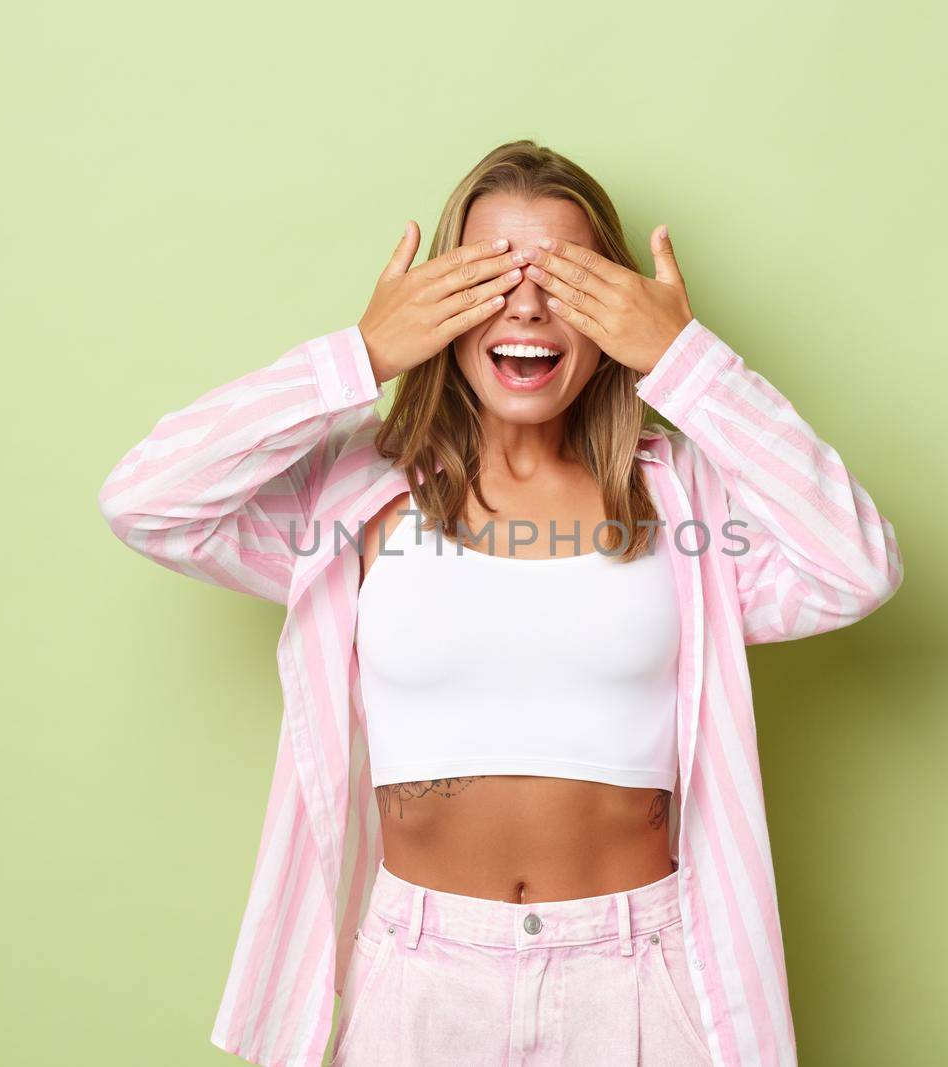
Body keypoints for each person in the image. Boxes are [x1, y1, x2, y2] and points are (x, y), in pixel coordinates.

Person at [97, 139, 904, 1067]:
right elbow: (145, 499)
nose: (524, 304)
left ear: (616, 311)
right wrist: (359, 358)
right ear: (437, 304)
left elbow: (857, 566)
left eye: (565, 278)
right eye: (488, 278)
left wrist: (689, 364)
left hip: (642, 979)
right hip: (420, 979)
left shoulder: (684, 500)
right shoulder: (359, 492)